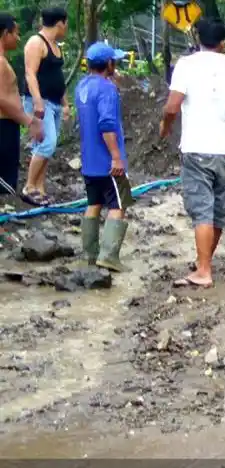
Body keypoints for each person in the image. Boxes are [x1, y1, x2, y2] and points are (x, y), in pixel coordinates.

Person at [160, 17, 225, 288]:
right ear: (223, 44)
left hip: (196, 150)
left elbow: (172, 107)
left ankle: (204, 270)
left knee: (202, 211)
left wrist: (164, 127)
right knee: (218, 209)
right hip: (222, 151)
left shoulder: (185, 65)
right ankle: (203, 263)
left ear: (198, 39)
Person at [75, 42, 133, 272]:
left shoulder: (82, 87)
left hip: (89, 161)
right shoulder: (107, 89)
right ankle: (109, 256)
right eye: (114, 61)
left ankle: (90, 254)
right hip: (107, 162)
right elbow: (107, 125)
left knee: (94, 203)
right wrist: (117, 157)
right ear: (109, 64)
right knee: (118, 205)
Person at [21, 7, 69, 207]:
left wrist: (65, 103)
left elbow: (58, 76)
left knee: (49, 146)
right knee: (46, 143)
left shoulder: (56, 45)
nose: (66, 28)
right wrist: (38, 101)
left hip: (55, 102)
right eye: (66, 24)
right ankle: (29, 186)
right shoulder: (36, 42)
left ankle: (40, 188)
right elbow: (30, 74)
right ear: (60, 23)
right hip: (41, 102)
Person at [0, 13, 44, 200]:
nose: (18, 38)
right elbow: (1, 99)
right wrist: (29, 121)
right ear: (4, 33)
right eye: (15, 33)